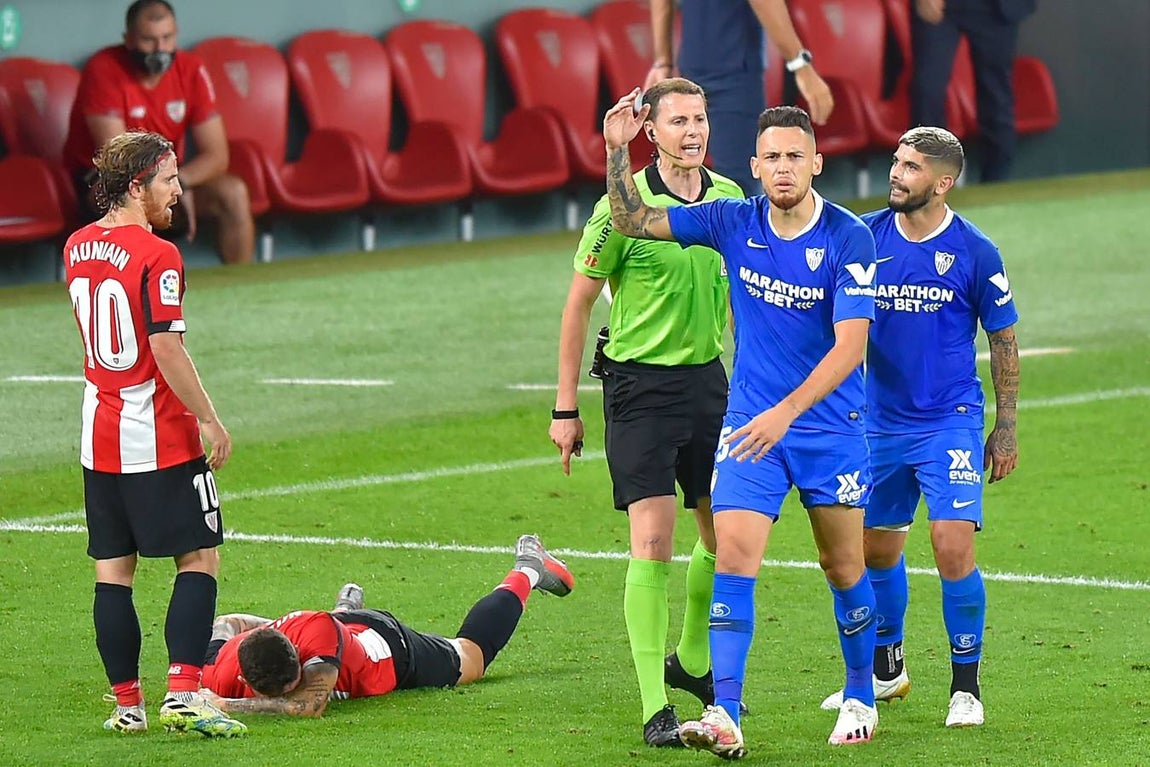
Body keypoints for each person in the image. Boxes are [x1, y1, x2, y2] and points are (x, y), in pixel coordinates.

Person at [603, 96, 881, 758]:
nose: (784, 168)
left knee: (841, 564)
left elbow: (850, 348)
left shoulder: (848, 237)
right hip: (752, 426)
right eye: (772, 157)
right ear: (755, 166)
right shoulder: (731, 219)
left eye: (796, 156)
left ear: (817, 161)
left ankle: (860, 692)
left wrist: (787, 411)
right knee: (732, 555)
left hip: (827, 429)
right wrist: (618, 151)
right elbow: (633, 218)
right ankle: (725, 709)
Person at [549, 77, 743, 749]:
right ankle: (656, 707)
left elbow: (743, 298)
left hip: (708, 386)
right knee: (653, 541)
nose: (693, 130)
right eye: (679, 120)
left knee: (724, 537)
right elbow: (577, 305)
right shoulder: (618, 209)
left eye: (701, 119)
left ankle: (691, 657)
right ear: (650, 133)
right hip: (638, 390)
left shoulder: (729, 202)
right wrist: (565, 407)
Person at [819, 126, 1019, 727]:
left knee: (951, 544)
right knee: (876, 551)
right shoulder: (864, 236)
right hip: (878, 423)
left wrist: (1005, 425)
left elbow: (1003, 338)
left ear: (942, 182)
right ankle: (887, 671)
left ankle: (966, 688)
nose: (896, 175)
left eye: (910, 168)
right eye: (896, 163)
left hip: (948, 420)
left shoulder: (975, 251)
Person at [63, 130, 245, 737]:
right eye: (169, 180)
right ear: (136, 186)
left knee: (113, 572)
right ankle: (185, 695)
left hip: (98, 435)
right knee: (198, 557)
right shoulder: (158, 255)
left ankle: (126, 707)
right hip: (158, 436)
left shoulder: (76, 248)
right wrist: (209, 417)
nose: (178, 190)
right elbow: (165, 346)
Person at [198, 535, 574, 715]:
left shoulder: (313, 635)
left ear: (297, 653)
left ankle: (528, 568)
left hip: (389, 649)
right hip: (338, 632)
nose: (300, 687)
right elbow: (228, 622)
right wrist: (272, 627)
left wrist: (226, 706)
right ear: (247, 681)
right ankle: (343, 612)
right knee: (330, 628)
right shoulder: (219, 668)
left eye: (299, 676)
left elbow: (308, 707)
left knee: (470, 658)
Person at [63, 0, 255, 264]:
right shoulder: (103, 68)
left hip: (169, 175)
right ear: (128, 40)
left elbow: (217, 155)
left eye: (167, 38)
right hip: (103, 181)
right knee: (132, 197)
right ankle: (139, 293)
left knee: (233, 192)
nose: (160, 49)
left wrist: (180, 183)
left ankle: (243, 293)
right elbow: (121, 163)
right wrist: (168, 186)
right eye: (148, 40)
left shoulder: (191, 69)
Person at [643, 0, 835, 197]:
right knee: (740, 189)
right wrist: (799, 64)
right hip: (733, 64)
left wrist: (663, 62)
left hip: (695, 62)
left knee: (688, 182)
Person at [910, 0, 1037, 183]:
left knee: (996, 96)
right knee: (927, 90)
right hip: (942, 6)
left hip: (996, 7)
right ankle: (926, 187)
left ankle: (996, 187)